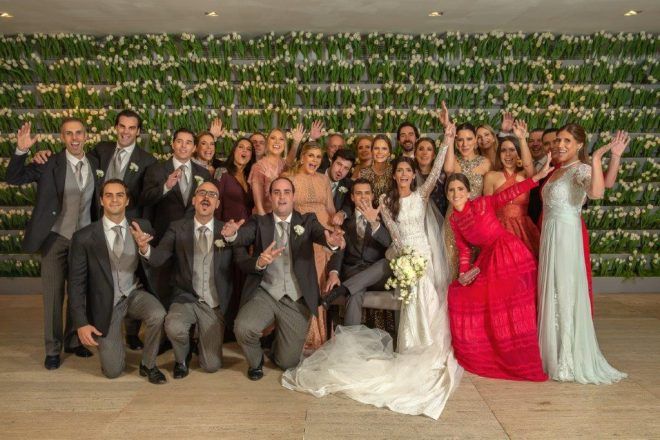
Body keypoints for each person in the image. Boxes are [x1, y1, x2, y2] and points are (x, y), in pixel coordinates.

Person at [281, 124, 462, 420]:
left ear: (411, 174)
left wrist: (448, 138)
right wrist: (337, 271)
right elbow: (393, 241)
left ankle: (351, 292)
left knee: (399, 278)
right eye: (399, 171)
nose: (404, 174)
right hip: (394, 261)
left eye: (407, 171)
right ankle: (348, 349)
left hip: (409, 261)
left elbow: (389, 241)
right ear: (393, 176)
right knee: (355, 292)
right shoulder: (384, 206)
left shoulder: (420, 195)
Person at [223, 177, 346, 380]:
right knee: (243, 328)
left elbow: (321, 234)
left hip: (296, 298)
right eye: (277, 192)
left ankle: (277, 347)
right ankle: (256, 362)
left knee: (288, 363)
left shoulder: (307, 221)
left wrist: (331, 242)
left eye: (286, 192)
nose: (282, 197)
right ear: (270, 197)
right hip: (266, 293)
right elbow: (242, 236)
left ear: (293, 196)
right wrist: (232, 235)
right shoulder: (259, 222)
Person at [537, 124, 628, 384]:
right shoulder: (557, 169)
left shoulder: (581, 169)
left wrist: (601, 158)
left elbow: (598, 192)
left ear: (579, 144)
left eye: (567, 140)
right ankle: (552, 353)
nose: (560, 144)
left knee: (565, 290)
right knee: (552, 289)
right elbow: (606, 183)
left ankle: (567, 356)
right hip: (550, 235)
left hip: (566, 236)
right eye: (558, 140)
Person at [6, 119, 99, 369]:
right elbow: (13, 177)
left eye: (78, 133)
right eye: (69, 134)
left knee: (78, 292)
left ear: (86, 136)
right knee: (53, 296)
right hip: (55, 238)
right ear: (62, 138)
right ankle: (53, 349)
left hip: (84, 240)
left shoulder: (95, 163)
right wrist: (22, 150)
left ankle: (73, 341)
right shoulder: (48, 163)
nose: (74, 138)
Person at [446, 161, 552, 381]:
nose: (456, 194)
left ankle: (515, 354)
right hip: (487, 257)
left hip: (508, 252)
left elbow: (509, 194)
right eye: (451, 190)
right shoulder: (455, 220)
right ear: (447, 194)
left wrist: (536, 177)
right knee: (460, 293)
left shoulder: (482, 203)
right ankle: (485, 348)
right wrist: (463, 274)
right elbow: (464, 249)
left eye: (460, 189)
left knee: (506, 305)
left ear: (468, 192)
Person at [68, 179, 167, 384]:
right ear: (101, 201)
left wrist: (144, 248)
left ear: (127, 200)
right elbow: (76, 285)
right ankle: (114, 346)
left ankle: (148, 364)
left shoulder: (142, 227)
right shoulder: (83, 237)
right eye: (109, 195)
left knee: (158, 313)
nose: (114, 200)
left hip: (133, 293)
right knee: (113, 371)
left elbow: (158, 261)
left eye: (120, 195)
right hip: (106, 304)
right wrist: (81, 323)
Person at [132, 182, 234, 378]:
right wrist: (145, 248)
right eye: (202, 193)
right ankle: (182, 358)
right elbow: (158, 258)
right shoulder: (177, 227)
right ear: (194, 200)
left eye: (212, 195)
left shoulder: (227, 231)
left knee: (211, 366)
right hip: (186, 296)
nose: (206, 197)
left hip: (213, 302)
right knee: (173, 327)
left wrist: (260, 261)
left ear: (217, 203)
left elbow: (242, 260)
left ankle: (200, 341)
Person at [285, 142, 337, 351]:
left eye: (318, 157)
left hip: (324, 235)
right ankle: (307, 335)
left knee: (323, 282)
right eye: (311, 156)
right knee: (308, 281)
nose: (314, 160)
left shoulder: (324, 179)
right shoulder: (290, 178)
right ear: (302, 157)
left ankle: (323, 334)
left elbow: (330, 207)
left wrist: (337, 224)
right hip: (303, 234)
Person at [321, 178, 392, 326]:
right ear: (352, 197)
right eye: (359, 193)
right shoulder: (345, 222)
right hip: (353, 273)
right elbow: (339, 251)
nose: (363, 197)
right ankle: (350, 339)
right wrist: (333, 273)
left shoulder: (383, 217)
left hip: (377, 276)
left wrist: (374, 223)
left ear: (372, 196)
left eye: (367, 193)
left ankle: (342, 289)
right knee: (354, 293)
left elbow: (390, 244)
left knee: (386, 263)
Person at [213, 138, 255, 341]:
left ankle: (239, 327)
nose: (244, 151)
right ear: (234, 150)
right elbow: (216, 205)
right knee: (227, 281)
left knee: (242, 282)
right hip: (226, 234)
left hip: (245, 236)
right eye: (241, 147)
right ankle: (226, 329)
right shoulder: (223, 173)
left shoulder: (249, 176)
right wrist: (219, 233)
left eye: (249, 149)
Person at [483, 121, 540, 257]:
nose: (507, 154)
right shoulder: (491, 176)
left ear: (519, 153)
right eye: (503, 150)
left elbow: (528, 165)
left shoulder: (526, 176)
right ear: (499, 154)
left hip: (523, 230)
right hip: (498, 230)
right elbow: (487, 210)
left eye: (512, 150)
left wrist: (522, 138)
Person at [248, 124, 312, 215]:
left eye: (281, 139)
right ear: (267, 142)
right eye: (273, 138)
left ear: (284, 144)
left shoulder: (283, 164)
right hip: (266, 216)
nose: (277, 142)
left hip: (284, 215)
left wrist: (296, 142)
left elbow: (289, 163)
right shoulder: (259, 166)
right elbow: (259, 204)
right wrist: (263, 220)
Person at [414, 136, 448, 216]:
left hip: (440, 219)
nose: (425, 153)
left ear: (434, 155)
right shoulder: (410, 176)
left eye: (429, 149)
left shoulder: (442, 176)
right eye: (421, 149)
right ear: (415, 154)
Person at [359, 134, 393, 206]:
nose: (380, 152)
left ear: (389, 153)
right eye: (376, 148)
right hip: (368, 210)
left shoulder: (395, 172)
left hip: (392, 211)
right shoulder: (363, 173)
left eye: (384, 148)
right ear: (372, 151)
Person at [325, 148, 356, 221]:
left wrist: (342, 213)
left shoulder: (349, 184)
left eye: (346, 168)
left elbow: (349, 205)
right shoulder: (315, 174)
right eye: (339, 164)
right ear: (332, 162)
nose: (341, 170)